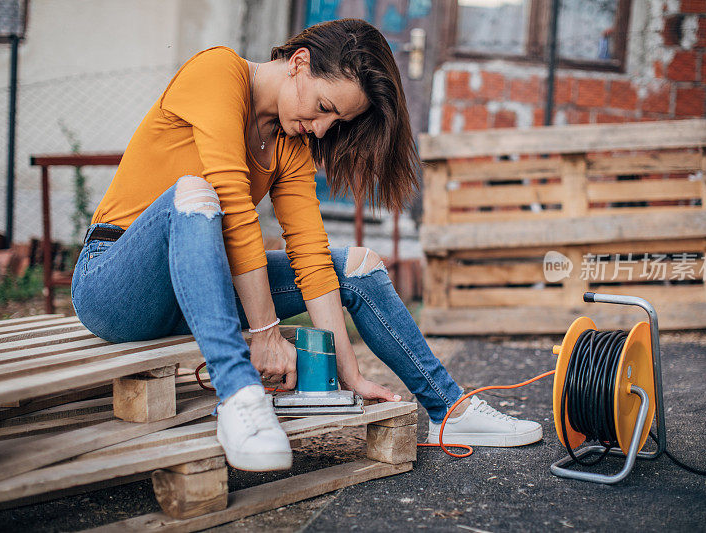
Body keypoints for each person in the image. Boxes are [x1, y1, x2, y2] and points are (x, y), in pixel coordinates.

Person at [71, 19, 541, 472]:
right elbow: (234, 209)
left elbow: (310, 256)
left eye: (335, 120)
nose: (320, 128)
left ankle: (448, 409)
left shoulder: (289, 144)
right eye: (323, 106)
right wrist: (265, 333)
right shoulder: (217, 72)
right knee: (194, 192)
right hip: (114, 284)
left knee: (357, 264)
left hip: (197, 287)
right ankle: (241, 400)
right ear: (299, 62)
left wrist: (349, 371)